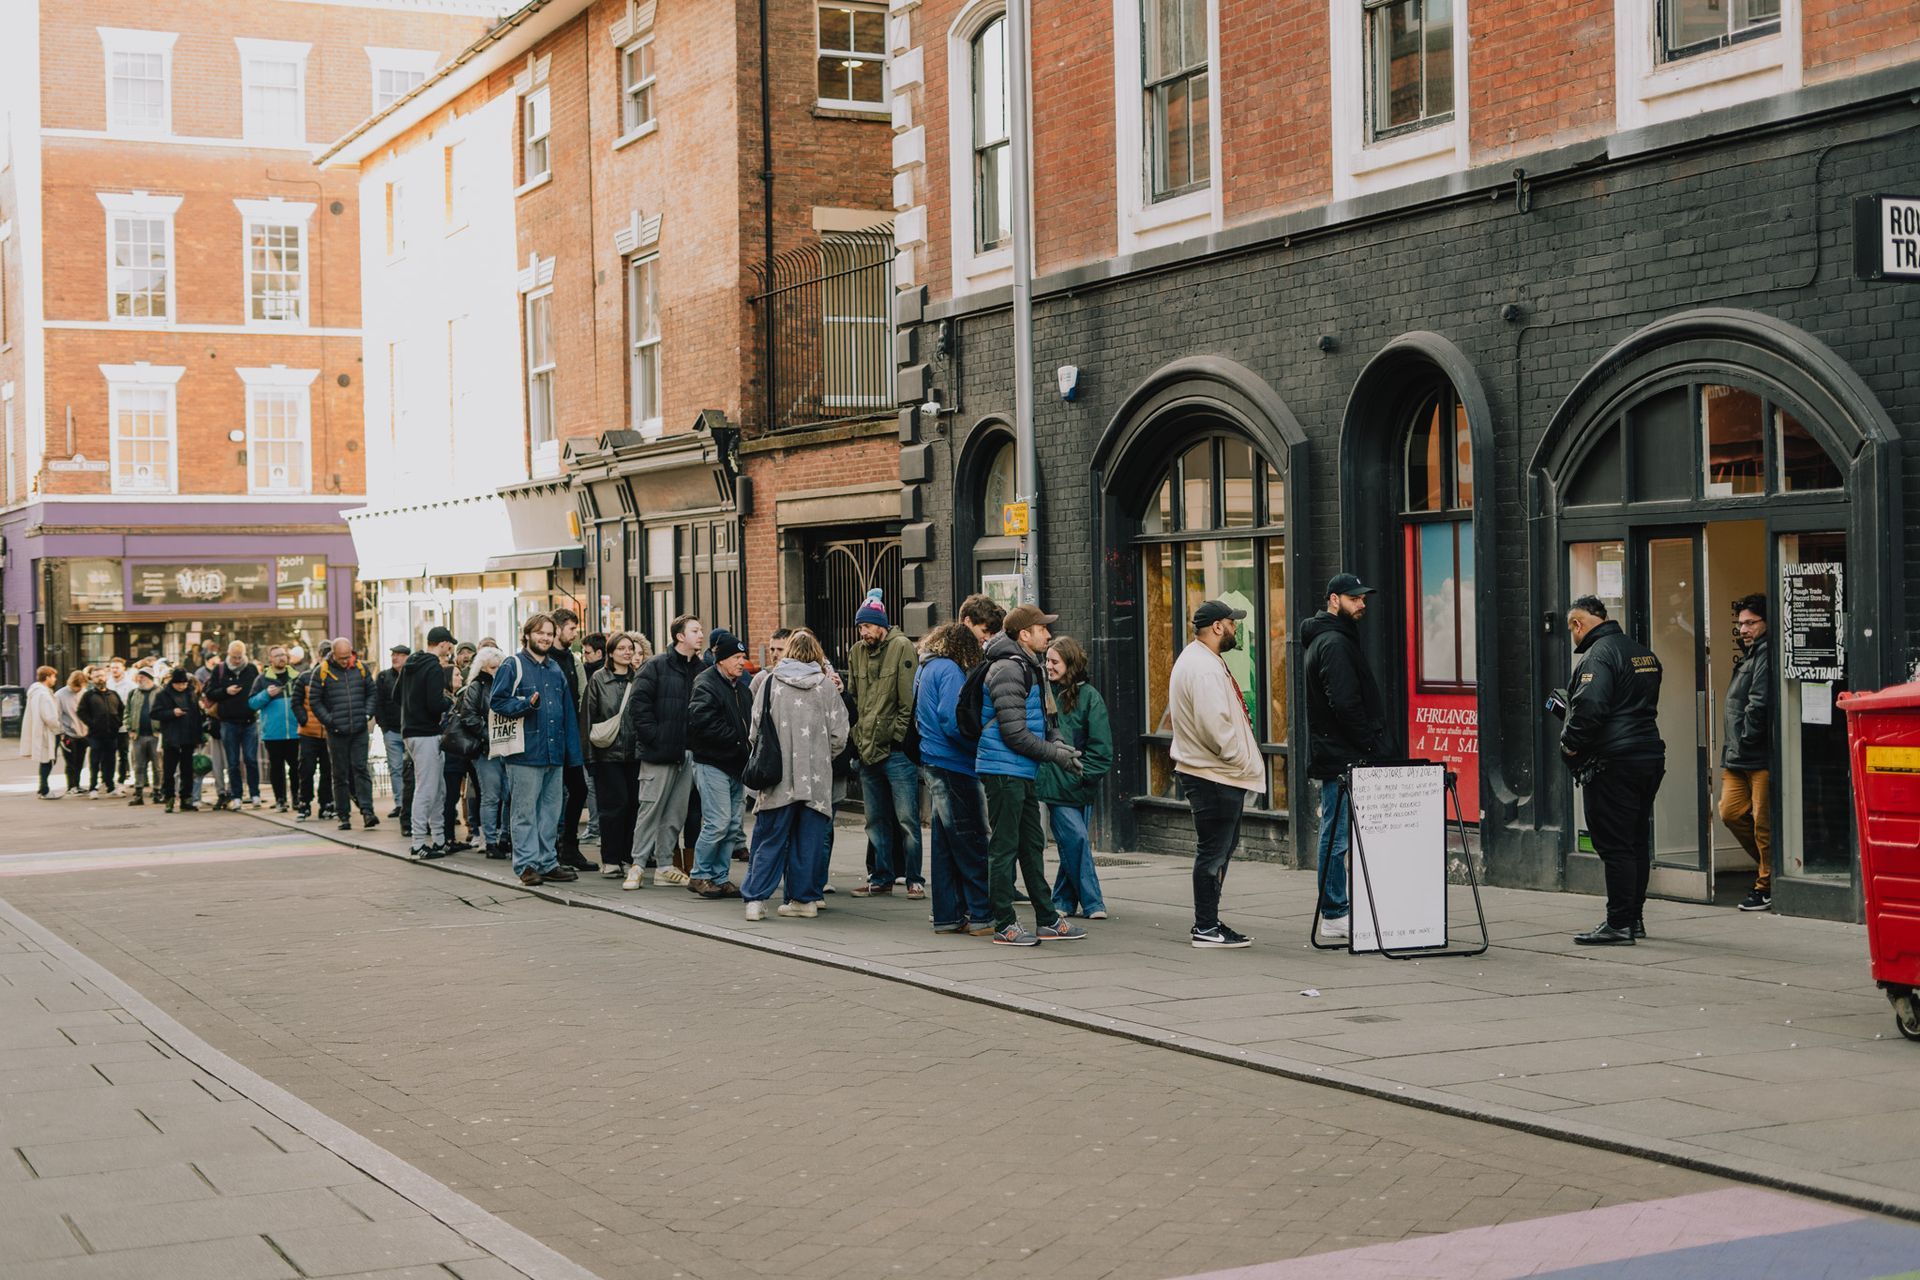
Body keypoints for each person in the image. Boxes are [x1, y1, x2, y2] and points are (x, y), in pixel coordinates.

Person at [975, 604, 1087, 946]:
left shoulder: (1028, 666)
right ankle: (1004, 924)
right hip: (1003, 769)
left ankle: (1047, 919)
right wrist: (1056, 756)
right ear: (1024, 634)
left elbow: (1043, 722)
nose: (1048, 634)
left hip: (1019, 769)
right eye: (1042, 628)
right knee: (1005, 846)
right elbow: (1015, 734)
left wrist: (1058, 744)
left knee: (1032, 844)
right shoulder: (1009, 669)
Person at [1559, 595, 1665, 945]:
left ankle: (1618, 924)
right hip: (1647, 754)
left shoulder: (1598, 654)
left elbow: (1590, 705)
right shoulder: (1642, 652)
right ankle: (1633, 919)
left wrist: (1570, 743)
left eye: (1571, 627)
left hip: (1612, 761)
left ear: (1578, 623)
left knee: (1615, 844)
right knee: (1635, 840)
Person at [1170, 600, 1266, 948]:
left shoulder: (1199, 660)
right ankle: (1206, 927)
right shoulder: (1204, 668)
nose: (1235, 629)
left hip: (1212, 772)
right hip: (1215, 774)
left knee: (1216, 851)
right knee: (1214, 852)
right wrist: (1239, 758)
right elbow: (1215, 726)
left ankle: (1208, 924)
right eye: (1232, 623)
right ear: (1216, 627)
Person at [1301, 574, 1392, 942]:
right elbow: (1345, 702)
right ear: (1334, 599)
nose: (1362, 605)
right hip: (1343, 756)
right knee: (1336, 836)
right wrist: (1370, 744)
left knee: (1339, 834)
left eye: (1364, 598)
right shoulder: (1334, 643)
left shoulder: (1333, 639)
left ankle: (1339, 908)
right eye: (1355, 599)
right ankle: (1335, 912)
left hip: (1340, 753)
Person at [740, 630, 849, 921]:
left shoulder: (770, 683)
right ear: (817, 654)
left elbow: (754, 730)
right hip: (815, 779)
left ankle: (755, 900)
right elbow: (840, 734)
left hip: (777, 779)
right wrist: (822, 756)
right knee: (809, 841)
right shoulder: (826, 687)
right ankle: (805, 900)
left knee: (769, 838)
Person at [490, 613, 583, 887]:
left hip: (554, 753)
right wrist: (525, 705)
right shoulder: (512, 664)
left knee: (551, 813)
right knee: (524, 813)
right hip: (525, 752)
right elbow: (497, 702)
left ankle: (547, 861)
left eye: (549, 633)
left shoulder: (555, 670)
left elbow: (567, 714)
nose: (545, 637)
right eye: (540, 632)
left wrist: (573, 755)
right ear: (527, 634)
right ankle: (527, 864)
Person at [915, 621, 992, 935]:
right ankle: (982, 914)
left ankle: (948, 914)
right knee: (969, 839)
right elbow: (952, 718)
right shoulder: (948, 671)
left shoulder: (926, 668)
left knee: (945, 844)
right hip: (954, 764)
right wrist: (976, 745)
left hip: (932, 760)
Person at [847, 589, 924, 897]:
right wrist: (858, 736)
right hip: (867, 750)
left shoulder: (902, 646)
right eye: (860, 627)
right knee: (875, 819)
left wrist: (897, 737)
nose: (863, 632)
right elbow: (855, 698)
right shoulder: (856, 652)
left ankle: (914, 877)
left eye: (867, 626)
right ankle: (881, 876)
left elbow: (909, 701)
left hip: (895, 752)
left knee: (907, 819)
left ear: (881, 625)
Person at [623, 614, 704, 891]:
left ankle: (665, 865)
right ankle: (638, 865)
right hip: (659, 752)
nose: (701, 635)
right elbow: (638, 705)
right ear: (680, 636)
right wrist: (655, 738)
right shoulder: (655, 666)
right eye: (695, 630)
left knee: (675, 813)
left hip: (688, 752)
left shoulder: (701, 669)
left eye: (700, 630)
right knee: (650, 808)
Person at [1039, 635, 1114, 920]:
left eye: (1054, 661)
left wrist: (1082, 776)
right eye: (1047, 660)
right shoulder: (1045, 692)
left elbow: (1102, 747)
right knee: (1078, 841)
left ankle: (1063, 900)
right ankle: (1094, 902)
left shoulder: (1089, 698)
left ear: (1069, 663)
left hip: (1078, 783)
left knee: (1073, 844)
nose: (1048, 666)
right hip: (1058, 786)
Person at [687, 629, 752, 899]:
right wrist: (739, 741)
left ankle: (720, 877)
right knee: (718, 821)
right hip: (713, 763)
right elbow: (702, 723)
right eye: (736, 657)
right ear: (722, 659)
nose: (741, 662)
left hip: (736, 766)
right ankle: (700, 875)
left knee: (733, 823)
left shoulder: (742, 688)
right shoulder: (706, 683)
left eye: (743, 657)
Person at [1722, 594, 1774, 912]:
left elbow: (1758, 704)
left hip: (1756, 754)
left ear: (1765, 622)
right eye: (1740, 623)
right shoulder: (1750, 655)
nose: (1743, 628)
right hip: (1736, 756)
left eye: (1750, 622)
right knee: (1730, 812)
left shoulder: (1765, 655)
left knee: (1763, 824)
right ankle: (1772, 867)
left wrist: (1745, 739)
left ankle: (1766, 884)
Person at [582, 632, 644, 879]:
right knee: (612, 807)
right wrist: (590, 758)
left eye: (630, 648)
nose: (627, 652)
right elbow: (588, 718)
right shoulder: (599, 679)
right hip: (607, 754)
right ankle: (610, 859)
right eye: (621, 648)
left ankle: (628, 856)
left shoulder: (639, 678)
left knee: (633, 806)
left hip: (635, 754)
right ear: (610, 653)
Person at [312, 638, 381, 832]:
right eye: (341, 657)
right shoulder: (322, 671)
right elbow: (314, 701)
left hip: (359, 728)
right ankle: (344, 815)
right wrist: (330, 721)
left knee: (361, 769)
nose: (345, 661)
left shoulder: (360, 668)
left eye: (347, 656)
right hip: (336, 731)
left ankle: (367, 811)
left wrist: (367, 714)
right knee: (340, 773)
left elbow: (372, 693)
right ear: (333, 654)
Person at [402, 626, 458, 859]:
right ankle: (418, 843)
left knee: (437, 788)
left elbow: (398, 695)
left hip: (411, 731)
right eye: (449, 645)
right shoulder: (434, 666)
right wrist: (450, 702)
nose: (450, 649)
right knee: (427, 788)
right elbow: (435, 703)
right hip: (426, 733)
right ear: (443, 643)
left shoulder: (411, 664)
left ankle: (438, 839)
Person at [548, 607, 595, 872]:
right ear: (558, 629)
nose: (576, 633)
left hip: (571, 735)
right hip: (554, 737)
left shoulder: (569, 658)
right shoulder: (550, 660)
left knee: (578, 789)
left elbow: (579, 696)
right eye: (572, 629)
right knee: (555, 794)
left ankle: (568, 846)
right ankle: (555, 848)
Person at [453, 646, 509, 857]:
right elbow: (469, 717)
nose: (496, 671)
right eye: (492, 667)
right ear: (483, 667)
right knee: (491, 795)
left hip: (504, 746)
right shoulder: (476, 687)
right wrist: (490, 735)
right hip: (486, 749)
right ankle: (491, 841)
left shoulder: (504, 685)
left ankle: (504, 837)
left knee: (507, 794)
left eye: (498, 667)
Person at [207, 641, 263, 809]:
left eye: (240, 657)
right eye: (234, 657)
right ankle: (236, 795)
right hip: (228, 722)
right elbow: (210, 693)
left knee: (251, 759)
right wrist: (226, 691)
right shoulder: (220, 669)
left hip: (249, 721)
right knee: (232, 762)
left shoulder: (252, 669)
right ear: (229, 654)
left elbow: (259, 691)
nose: (237, 661)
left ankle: (255, 794)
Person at [249, 645, 301, 812]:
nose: (281, 658)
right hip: (273, 732)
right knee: (276, 768)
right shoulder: (262, 679)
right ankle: (280, 800)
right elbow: (251, 703)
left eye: (283, 655)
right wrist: (266, 694)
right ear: (270, 659)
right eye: (277, 656)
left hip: (295, 730)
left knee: (296, 767)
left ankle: (297, 799)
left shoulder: (296, 677)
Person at [153, 666, 205, 813]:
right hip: (171, 737)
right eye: (179, 684)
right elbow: (155, 713)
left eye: (184, 683)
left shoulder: (191, 694)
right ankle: (169, 798)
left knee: (187, 770)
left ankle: (186, 798)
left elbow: (195, 716)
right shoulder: (163, 695)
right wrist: (171, 713)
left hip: (188, 737)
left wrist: (198, 735)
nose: (182, 686)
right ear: (173, 683)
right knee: (169, 771)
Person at [374, 644, 413, 830]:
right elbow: (378, 702)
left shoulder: (412, 675)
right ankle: (400, 803)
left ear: (407, 657)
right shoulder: (383, 677)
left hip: (410, 729)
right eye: (393, 655)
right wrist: (383, 726)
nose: (395, 658)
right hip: (391, 729)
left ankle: (409, 802)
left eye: (399, 655)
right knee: (395, 767)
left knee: (410, 769)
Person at [290, 657, 333, 820]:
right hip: (308, 731)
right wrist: (304, 720)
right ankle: (304, 802)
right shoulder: (305, 677)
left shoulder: (335, 677)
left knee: (327, 769)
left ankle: (326, 802)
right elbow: (296, 702)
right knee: (306, 769)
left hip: (329, 732)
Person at [78, 668, 125, 797]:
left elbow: (122, 709)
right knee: (95, 761)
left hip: (112, 734)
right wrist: (92, 723)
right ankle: (93, 788)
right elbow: (81, 712)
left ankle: (110, 787)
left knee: (110, 761)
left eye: (102, 676)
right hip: (95, 735)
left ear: (106, 677)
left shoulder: (113, 694)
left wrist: (118, 722)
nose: (100, 678)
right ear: (92, 679)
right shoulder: (88, 695)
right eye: (97, 676)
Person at [23, 667, 64, 798]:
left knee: (45, 760)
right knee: (48, 761)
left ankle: (42, 789)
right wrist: (59, 729)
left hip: (41, 731)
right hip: (48, 733)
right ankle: (44, 790)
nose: (55, 679)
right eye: (53, 676)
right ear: (47, 677)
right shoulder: (44, 694)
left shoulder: (35, 692)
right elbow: (50, 717)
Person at [123, 667, 161, 805]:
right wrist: (129, 728)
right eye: (139, 677)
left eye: (142, 677)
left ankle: (157, 792)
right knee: (138, 765)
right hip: (138, 736)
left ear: (150, 678)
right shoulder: (134, 693)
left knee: (158, 766)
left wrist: (162, 730)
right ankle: (138, 794)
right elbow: (127, 712)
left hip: (156, 735)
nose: (140, 680)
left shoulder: (160, 692)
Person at [56, 671, 88, 795]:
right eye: (76, 687)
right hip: (68, 734)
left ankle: (77, 784)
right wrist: (62, 732)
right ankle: (71, 786)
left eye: (81, 687)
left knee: (80, 761)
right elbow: (56, 715)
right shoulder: (60, 695)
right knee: (71, 762)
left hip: (83, 733)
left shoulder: (85, 693)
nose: (78, 690)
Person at [105, 656, 135, 787]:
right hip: (107, 726)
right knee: (108, 754)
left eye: (117, 667)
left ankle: (122, 778)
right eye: (112, 668)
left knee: (123, 754)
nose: (114, 670)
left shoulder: (131, 686)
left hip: (123, 726)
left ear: (123, 668)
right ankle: (107, 779)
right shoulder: (106, 683)